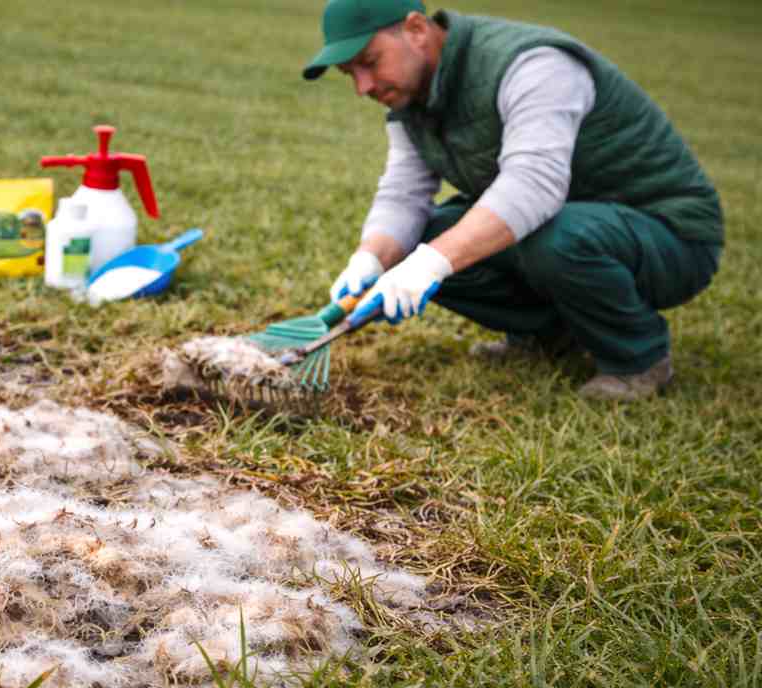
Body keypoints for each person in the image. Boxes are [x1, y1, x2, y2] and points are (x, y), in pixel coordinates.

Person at [305, 0, 723, 400]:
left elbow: (534, 185)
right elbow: (404, 195)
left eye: (370, 62)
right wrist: (371, 259)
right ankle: (550, 338)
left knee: (549, 240)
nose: (363, 87)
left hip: (671, 233)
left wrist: (429, 262)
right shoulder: (411, 99)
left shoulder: (532, 65)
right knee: (425, 236)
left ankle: (638, 358)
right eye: (350, 73)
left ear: (416, 29)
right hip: (572, 220)